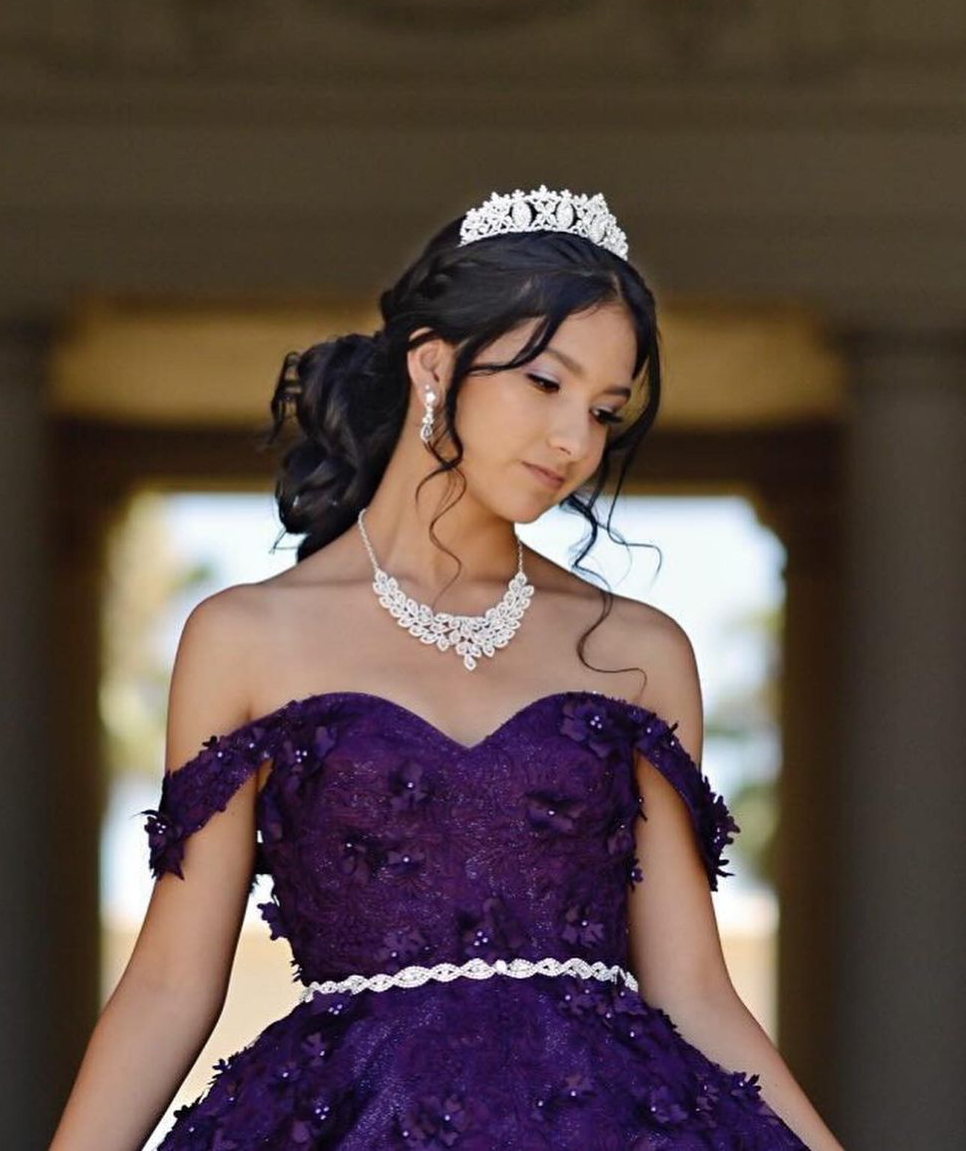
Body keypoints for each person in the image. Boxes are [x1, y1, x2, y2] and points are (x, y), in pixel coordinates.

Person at [50, 186, 843, 1149]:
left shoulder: (639, 652)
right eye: (545, 384)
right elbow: (172, 982)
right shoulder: (246, 637)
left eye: (604, 409)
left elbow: (697, 990)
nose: (575, 441)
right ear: (434, 363)